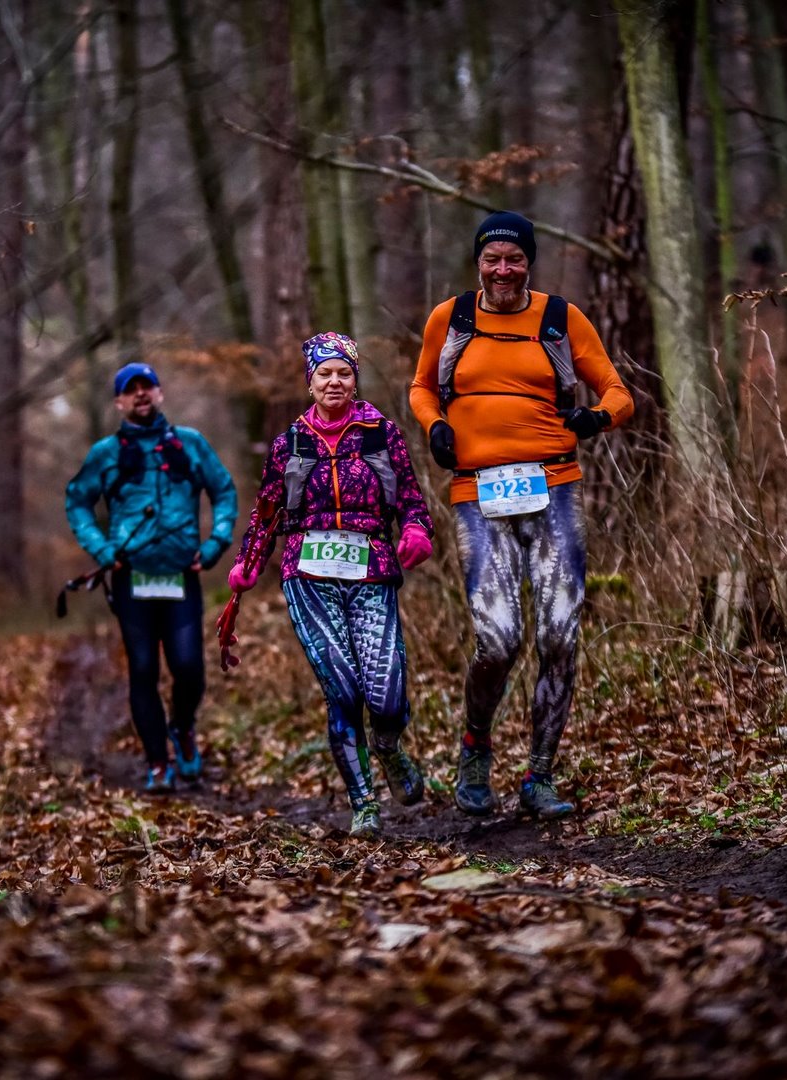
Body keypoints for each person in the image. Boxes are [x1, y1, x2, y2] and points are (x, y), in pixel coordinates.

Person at [409, 210, 634, 820]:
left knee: (559, 634)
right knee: (499, 639)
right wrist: (433, 427)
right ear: (478, 262)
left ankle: (539, 777)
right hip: (478, 496)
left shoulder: (560, 319)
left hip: (554, 488)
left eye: (514, 259)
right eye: (492, 259)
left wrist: (594, 419)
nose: (503, 269)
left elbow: (619, 393)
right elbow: (422, 387)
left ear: (528, 262)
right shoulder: (450, 318)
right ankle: (476, 747)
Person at [228, 332, 434, 838]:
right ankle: (363, 802)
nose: (335, 381)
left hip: (371, 568)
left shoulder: (381, 433)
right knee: (342, 690)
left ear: (354, 379)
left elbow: (410, 495)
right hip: (308, 572)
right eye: (325, 373)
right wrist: (248, 563)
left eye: (343, 372)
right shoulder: (290, 443)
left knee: (385, 694)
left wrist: (415, 529)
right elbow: (267, 512)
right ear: (311, 381)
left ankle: (387, 746)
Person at [65, 362, 238, 793]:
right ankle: (159, 762)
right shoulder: (106, 453)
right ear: (119, 401)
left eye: (148, 387)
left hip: (182, 575)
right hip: (131, 580)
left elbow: (224, 491)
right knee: (142, 669)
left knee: (189, 669)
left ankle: (182, 728)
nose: (141, 394)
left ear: (160, 394)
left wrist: (216, 543)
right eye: (131, 389)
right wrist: (103, 551)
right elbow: (77, 502)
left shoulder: (190, 444)